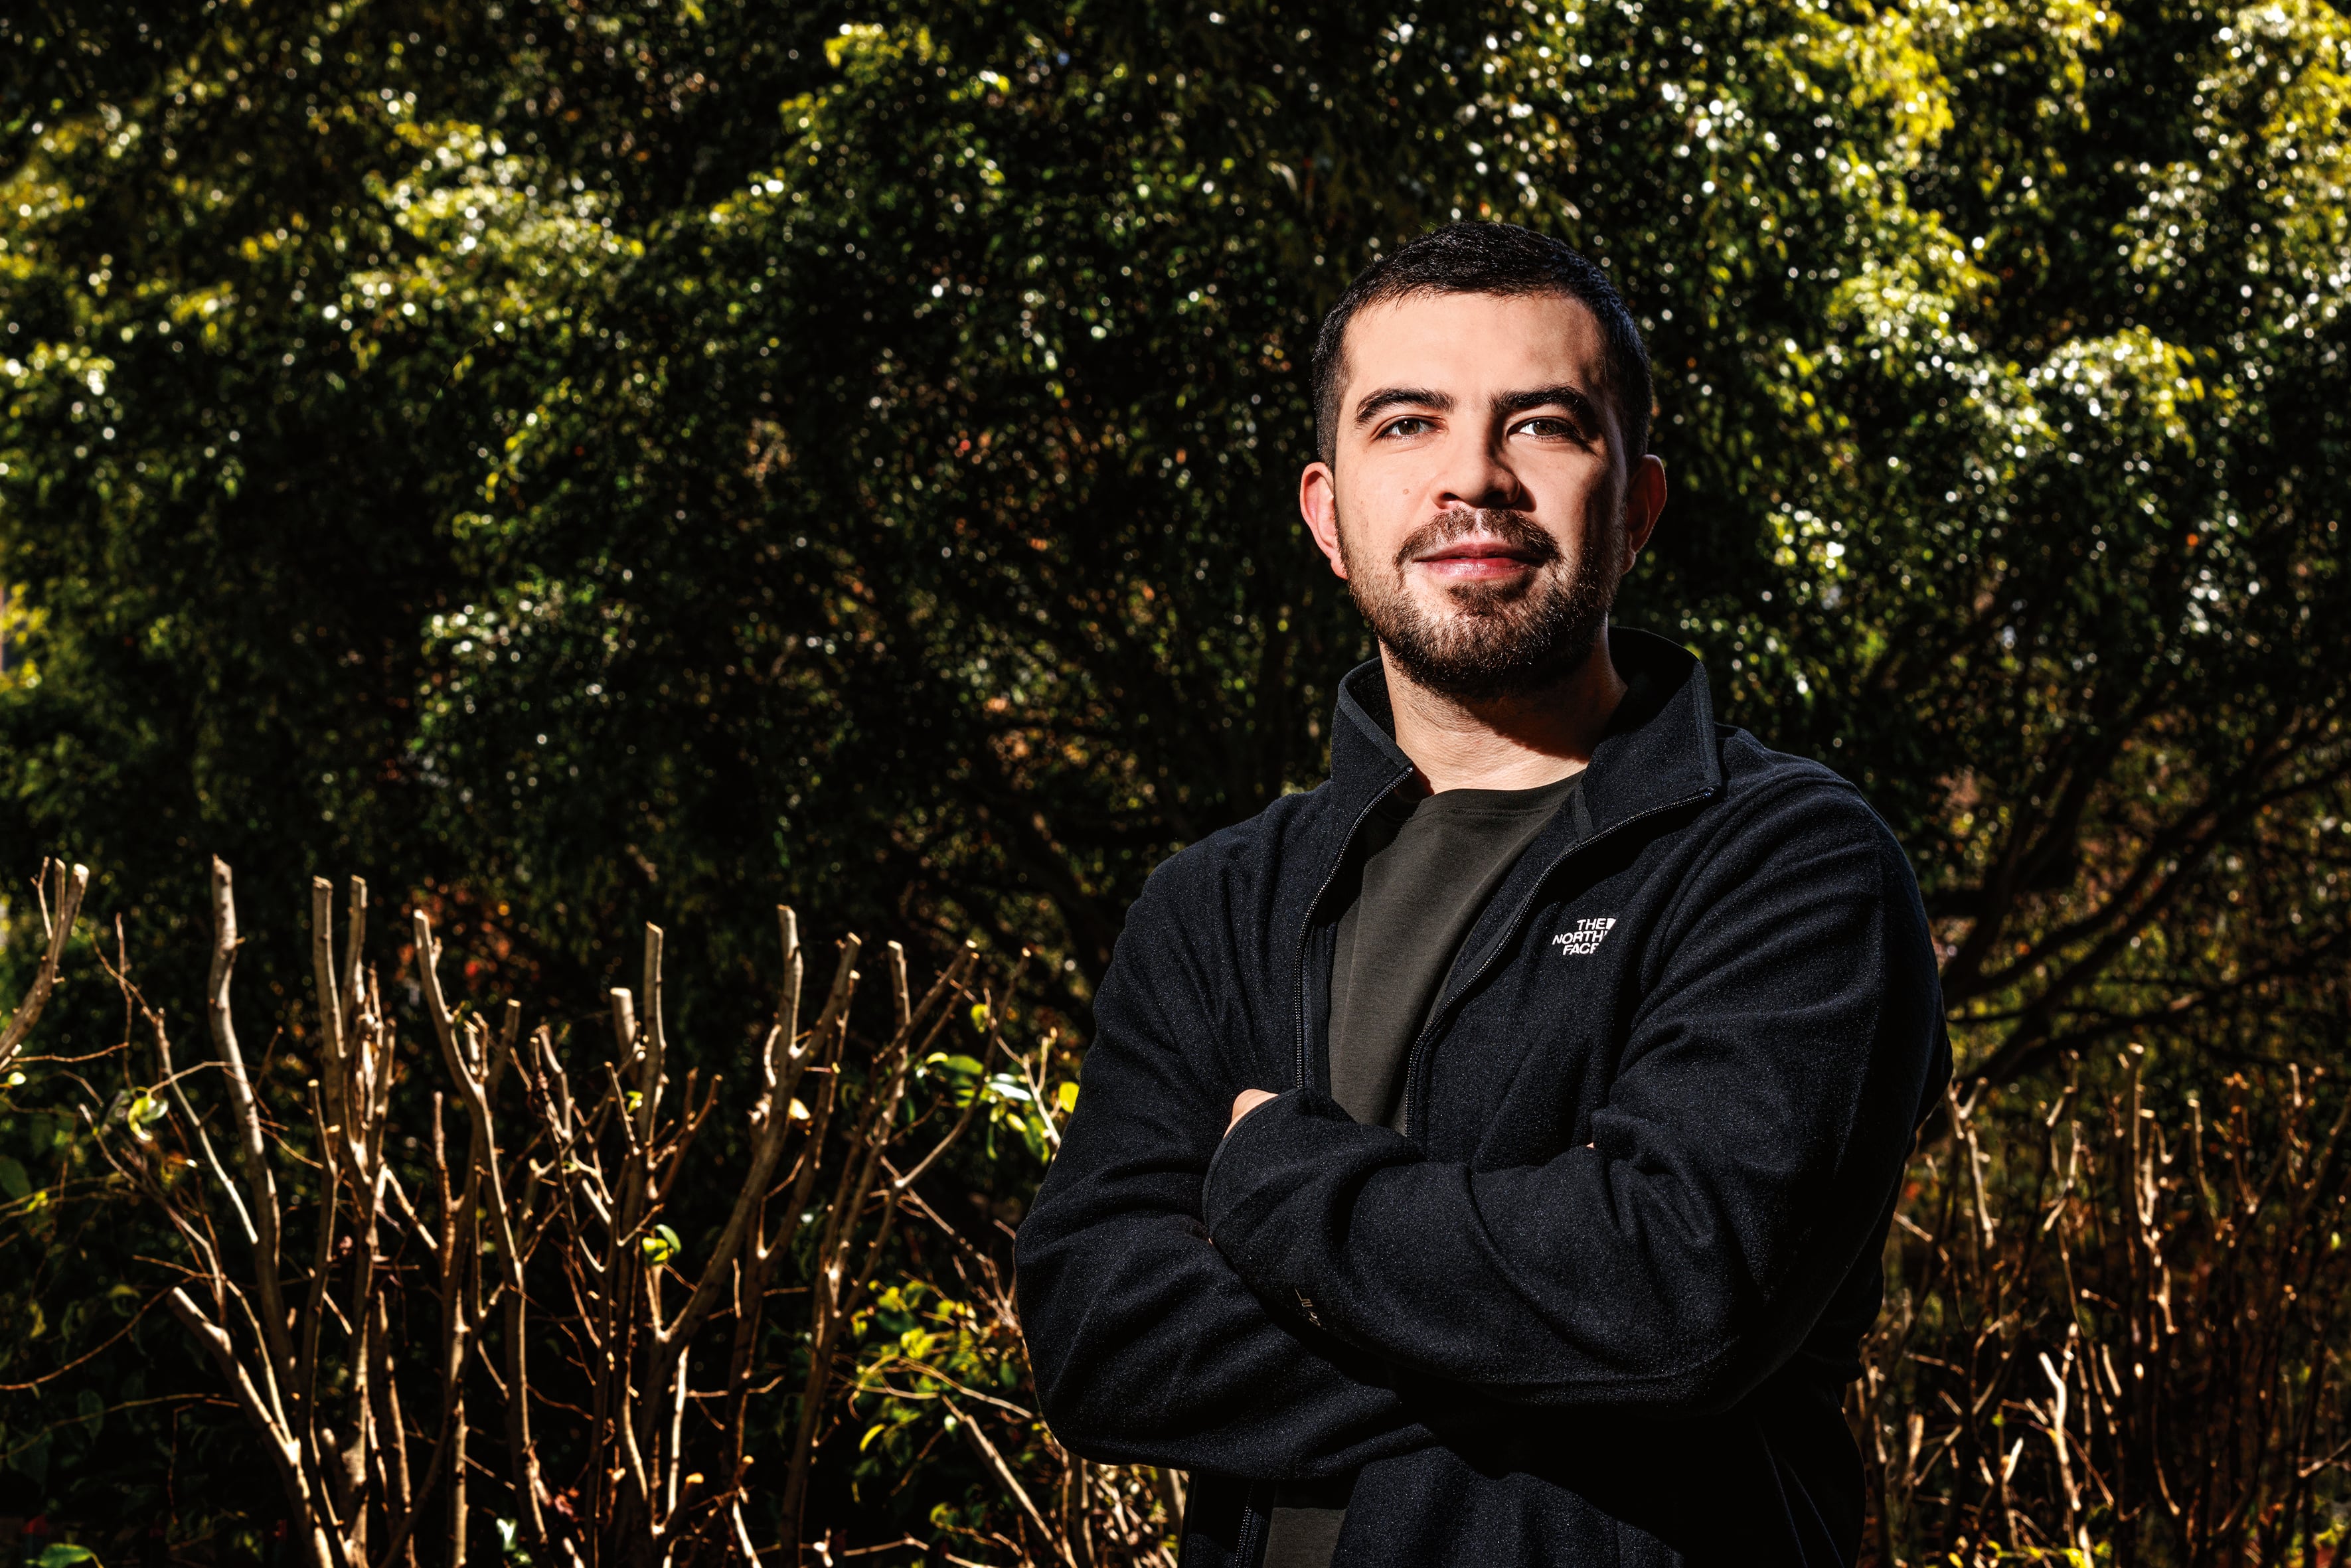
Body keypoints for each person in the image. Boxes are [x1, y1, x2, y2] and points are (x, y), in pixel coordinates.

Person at [1013, 222, 1948, 1567]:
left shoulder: (1788, 860)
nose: (1473, 479)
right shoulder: (1211, 904)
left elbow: (1677, 1295)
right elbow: (1104, 1333)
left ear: (1635, 505)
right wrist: (1551, 1320)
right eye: (1407, 423)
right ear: (1328, 516)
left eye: (1543, 426)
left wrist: (1273, 1181)